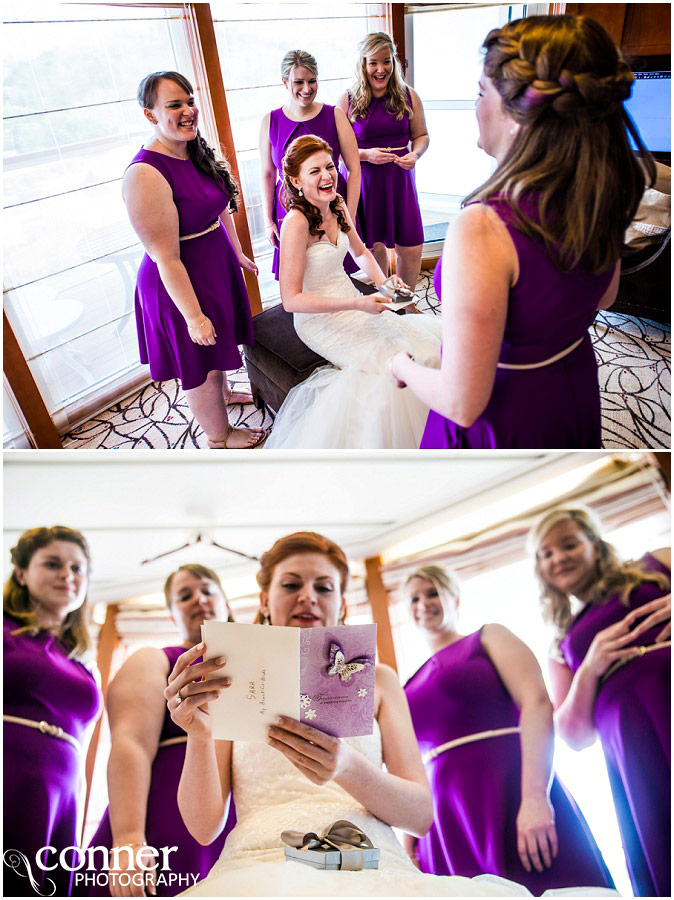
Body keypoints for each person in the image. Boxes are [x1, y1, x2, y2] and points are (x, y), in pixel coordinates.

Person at [164, 531, 615, 897]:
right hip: (257, 867)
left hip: (370, 862)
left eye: (324, 587)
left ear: (342, 604)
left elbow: (419, 815)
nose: (308, 597)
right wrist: (199, 736)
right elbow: (204, 829)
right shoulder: (231, 674)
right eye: (291, 584)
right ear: (265, 599)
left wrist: (345, 766)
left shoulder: (378, 679)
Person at [386, 15, 656, 449]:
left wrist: (401, 365)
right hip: (571, 383)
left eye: (480, 92)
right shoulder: (602, 187)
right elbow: (604, 297)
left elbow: (461, 403)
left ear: (517, 116)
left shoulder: (482, 227)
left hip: (506, 418)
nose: (475, 106)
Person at [402, 565, 614, 895]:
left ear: (454, 599)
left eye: (432, 593)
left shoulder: (487, 638)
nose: (423, 603)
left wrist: (533, 798)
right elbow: (409, 763)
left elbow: (537, 703)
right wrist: (410, 838)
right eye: (413, 598)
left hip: (508, 790)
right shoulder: (406, 684)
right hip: (445, 820)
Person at [264, 135, 442, 449]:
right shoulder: (296, 223)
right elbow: (291, 301)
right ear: (295, 180)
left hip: (353, 300)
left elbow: (360, 252)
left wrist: (387, 285)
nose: (327, 175)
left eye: (329, 166)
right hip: (320, 320)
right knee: (395, 367)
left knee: (425, 342)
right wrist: (358, 302)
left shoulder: (337, 203)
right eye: (315, 171)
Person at [530, 506, 670, 897]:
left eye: (569, 544)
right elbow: (574, 736)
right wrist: (590, 666)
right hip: (634, 746)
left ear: (595, 543)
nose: (558, 558)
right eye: (546, 554)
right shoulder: (562, 644)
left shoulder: (658, 561)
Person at [124, 71, 266, 450]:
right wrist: (193, 316)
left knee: (217, 348)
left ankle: (223, 397)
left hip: (212, 263)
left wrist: (236, 253)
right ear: (150, 115)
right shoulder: (145, 174)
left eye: (189, 101)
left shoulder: (196, 149)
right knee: (199, 362)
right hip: (177, 280)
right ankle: (218, 437)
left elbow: (219, 209)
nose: (187, 111)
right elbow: (165, 257)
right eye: (174, 105)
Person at [85, 565, 236, 897]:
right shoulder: (156, 660)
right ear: (172, 616)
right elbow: (131, 744)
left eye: (208, 591)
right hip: (166, 817)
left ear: (226, 602)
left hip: (238, 827)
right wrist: (127, 839)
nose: (199, 599)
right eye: (184, 596)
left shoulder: (259, 670)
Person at [4, 526, 102, 897]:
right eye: (53, 564)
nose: (68, 575)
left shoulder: (79, 659)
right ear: (21, 573)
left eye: (78, 568)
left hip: (62, 794)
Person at [337, 32, 428, 292]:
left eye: (386, 61)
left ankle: (406, 302)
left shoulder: (409, 95)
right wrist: (366, 155)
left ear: (394, 63)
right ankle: (389, 301)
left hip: (400, 180)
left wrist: (415, 154)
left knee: (410, 246)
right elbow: (338, 150)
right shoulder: (347, 100)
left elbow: (421, 136)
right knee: (375, 246)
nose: (381, 69)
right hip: (365, 182)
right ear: (363, 65)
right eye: (373, 62)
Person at [260, 49, 361, 279]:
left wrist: (350, 216)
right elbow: (267, 174)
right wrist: (268, 221)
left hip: (332, 204)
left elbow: (354, 167)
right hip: (289, 208)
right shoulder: (270, 121)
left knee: (337, 275)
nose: (307, 89)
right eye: (299, 82)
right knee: (297, 275)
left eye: (312, 81)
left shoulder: (334, 115)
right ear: (285, 82)